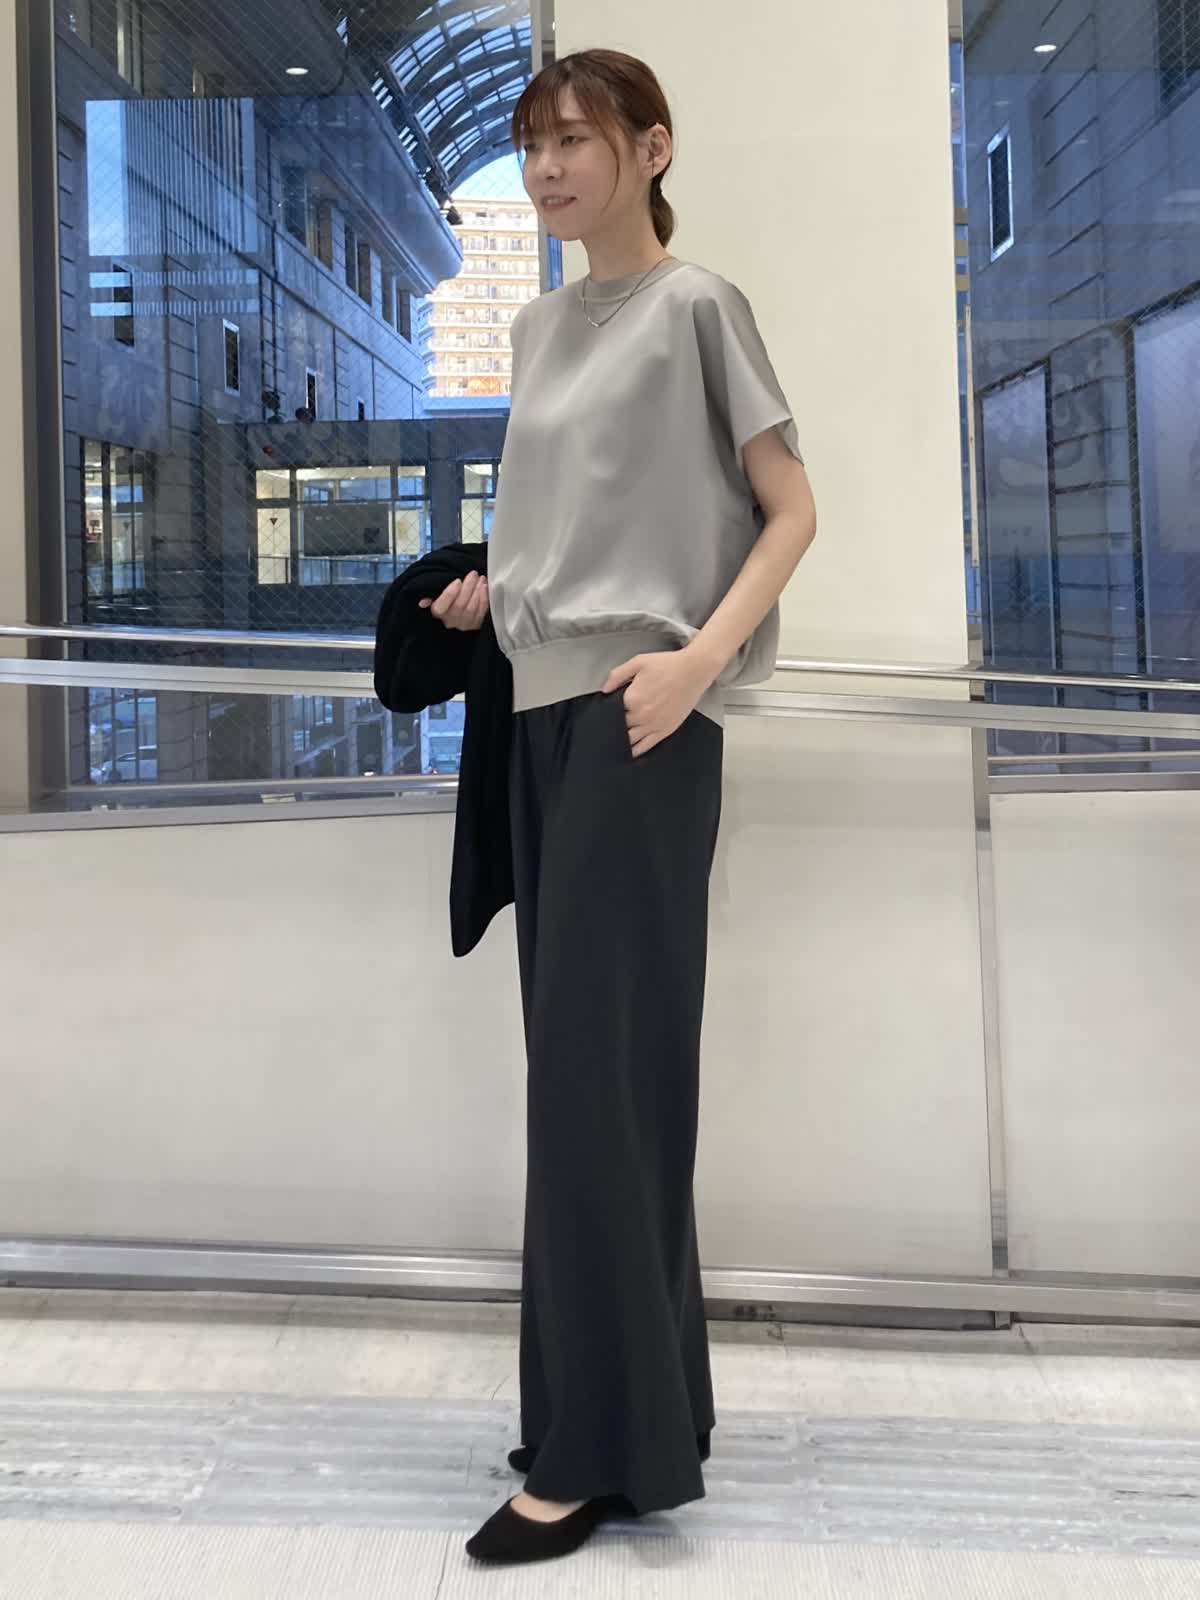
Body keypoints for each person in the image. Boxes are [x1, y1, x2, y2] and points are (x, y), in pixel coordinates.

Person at [422, 48, 817, 1566]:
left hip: (645, 720)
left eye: (574, 140)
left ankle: (586, 1454)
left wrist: (698, 663)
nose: (546, 169)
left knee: (603, 1084)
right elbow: (558, 527)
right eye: (531, 145)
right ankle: (638, 1421)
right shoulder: (535, 329)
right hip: (536, 722)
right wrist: (490, 592)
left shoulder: (699, 307)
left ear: (652, 149)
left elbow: (791, 509)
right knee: (591, 1087)